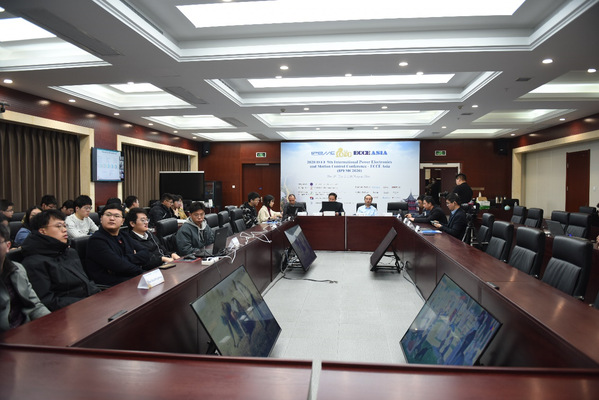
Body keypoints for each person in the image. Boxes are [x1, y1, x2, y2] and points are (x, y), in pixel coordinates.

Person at [21, 209, 100, 311]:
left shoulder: (70, 252)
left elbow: (86, 282)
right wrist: (85, 303)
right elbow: (47, 301)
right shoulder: (34, 263)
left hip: (89, 304)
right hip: (67, 313)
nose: (64, 230)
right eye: (59, 226)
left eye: (64, 226)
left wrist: (98, 296)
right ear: (43, 231)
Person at [0, 223, 51, 333]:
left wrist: (53, 324)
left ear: (8, 246)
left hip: (26, 331)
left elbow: (35, 306)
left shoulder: (17, 270)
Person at [86, 203, 151, 286]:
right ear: (101, 219)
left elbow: (145, 253)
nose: (112, 218)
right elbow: (119, 266)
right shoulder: (96, 240)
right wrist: (141, 272)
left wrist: (123, 259)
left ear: (122, 221)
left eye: (117, 216)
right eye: (108, 215)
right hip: (110, 287)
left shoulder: (124, 235)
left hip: (130, 279)